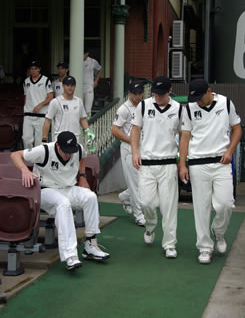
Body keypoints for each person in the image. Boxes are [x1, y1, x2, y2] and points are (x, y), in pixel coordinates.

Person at [11, 131, 110, 271]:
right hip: (45, 190)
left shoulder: (78, 149)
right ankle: (70, 255)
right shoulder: (45, 150)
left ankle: (91, 244)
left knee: (90, 197)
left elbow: (82, 156)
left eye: (71, 151)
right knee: (63, 203)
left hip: (67, 188)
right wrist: (24, 170)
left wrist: (82, 176)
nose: (69, 154)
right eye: (65, 151)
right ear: (57, 146)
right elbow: (15, 155)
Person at [179, 79, 242, 265]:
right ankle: (204, 248)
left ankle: (219, 231)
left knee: (225, 204)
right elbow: (185, 137)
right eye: (195, 98)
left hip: (221, 161)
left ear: (209, 91)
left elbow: (237, 129)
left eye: (200, 97)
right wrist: (182, 164)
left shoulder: (226, 103)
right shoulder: (189, 108)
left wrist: (230, 150)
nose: (198, 101)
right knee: (201, 207)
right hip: (198, 163)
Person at [131, 76, 181, 259]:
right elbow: (135, 129)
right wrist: (135, 152)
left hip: (168, 163)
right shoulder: (144, 106)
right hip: (147, 163)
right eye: (155, 94)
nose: (157, 97)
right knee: (147, 203)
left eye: (161, 94)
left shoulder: (178, 109)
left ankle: (169, 244)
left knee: (169, 207)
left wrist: (182, 160)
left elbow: (184, 134)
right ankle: (150, 226)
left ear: (169, 91)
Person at [112, 81, 146, 227]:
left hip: (143, 148)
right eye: (135, 93)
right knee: (136, 182)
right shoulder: (124, 109)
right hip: (128, 149)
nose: (138, 96)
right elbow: (115, 130)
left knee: (145, 181)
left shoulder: (145, 106)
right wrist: (132, 141)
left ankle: (125, 196)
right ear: (130, 93)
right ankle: (139, 214)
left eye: (140, 93)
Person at [42, 76, 89, 143]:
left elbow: (82, 119)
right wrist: (44, 139)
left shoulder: (79, 101)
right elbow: (47, 120)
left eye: (72, 85)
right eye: (67, 85)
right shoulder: (55, 102)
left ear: (75, 86)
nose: (70, 87)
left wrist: (88, 131)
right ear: (63, 86)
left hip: (76, 137)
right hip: (60, 137)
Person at [23, 61, 53, 149]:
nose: (33, 71)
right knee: (26, 139)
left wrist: (40, 105)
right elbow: (26, 97)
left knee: (39, 141)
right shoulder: (26, 81)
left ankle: (38, 161)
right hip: (28, 114)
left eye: (35, 69)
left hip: (41, 115)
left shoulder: (46, 80)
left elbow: (50, 97)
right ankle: (29, 158)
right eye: (31, 69)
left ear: (39, 69)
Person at [83, 50, 102, 117]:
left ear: (87, 53)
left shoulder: (92, 61)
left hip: (89, 87)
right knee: (80, 108)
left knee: (88, 109)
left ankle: (87, 126)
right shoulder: (76, 60)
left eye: (83, 54)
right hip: (78, 87)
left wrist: (96, 81)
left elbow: (100, 69)